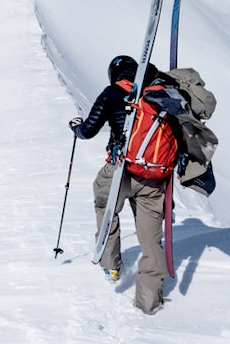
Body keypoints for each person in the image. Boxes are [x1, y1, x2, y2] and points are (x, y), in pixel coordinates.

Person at [68, 55, 172, 315]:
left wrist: (77, 128)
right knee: (150, 238)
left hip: (120, 171)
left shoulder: (113, 92)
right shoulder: (160, 93)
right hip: (153, 176)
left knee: (104, 204)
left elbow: (89, 131)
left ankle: (111, 264)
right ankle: (149, 302)